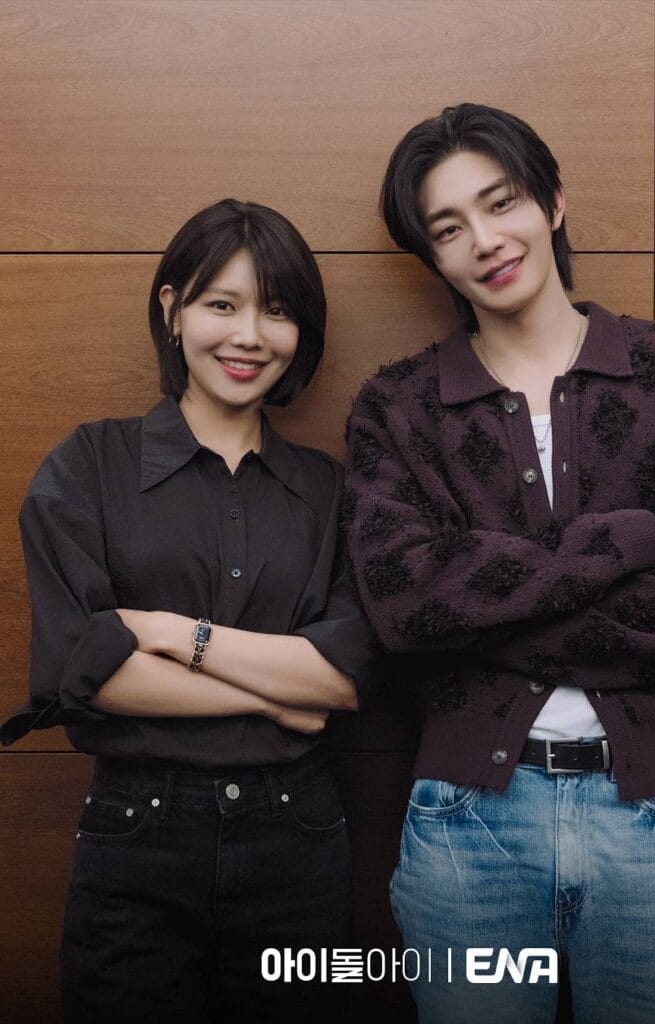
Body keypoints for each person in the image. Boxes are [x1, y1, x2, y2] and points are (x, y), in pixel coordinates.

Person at [344, 104, 655, 1023]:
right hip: (466, 830)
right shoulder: (399, 407)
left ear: (552, 200)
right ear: (431, 257)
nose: (484, 240)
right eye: (447, 228)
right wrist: (636, 542)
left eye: (499, 201)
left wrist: (492, 610)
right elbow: (405, 606)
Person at [1, 198, 376, 1023]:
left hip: (299, 840)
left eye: (276, 311)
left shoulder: (331, 493)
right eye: (222, 304)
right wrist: (279, 691)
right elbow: (84, 673)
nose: (249, 335)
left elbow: (345, 681)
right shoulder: (89, 465)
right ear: (171, 309)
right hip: (136, 834)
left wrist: (172, 635)